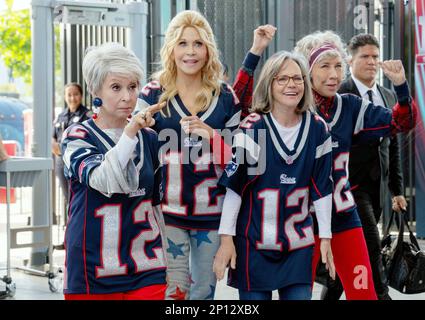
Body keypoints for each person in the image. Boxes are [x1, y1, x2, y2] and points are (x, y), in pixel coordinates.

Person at [138, 11, 275, 300]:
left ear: (208, 49)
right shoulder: (151, 94)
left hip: (212, 216)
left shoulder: (225, 96)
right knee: (173, 293)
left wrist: (212, 136)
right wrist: (141, 129)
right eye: (183, 43)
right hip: (167, 215)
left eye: (198, 44)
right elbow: (133, 154)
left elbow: (244, 163)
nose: (190, 51)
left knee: (202, 294)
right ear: (171, 48)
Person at [293, 30, 417, 300]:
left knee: (365, 291)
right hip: (302, 217)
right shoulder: (292, 107)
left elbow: (400, 124)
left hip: (343, 211)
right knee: (297, 294)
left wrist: (401, 89)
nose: (334, 74)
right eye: (324, 66)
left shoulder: (348, 105)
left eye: (338, 65)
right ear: (308, 71)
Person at [212, 51, 335, 300]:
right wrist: (226, 239)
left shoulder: (318, 128)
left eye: (298, 78)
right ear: (269, 84)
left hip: (297, 245)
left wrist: (325, 237)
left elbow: (322, 188)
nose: (292, 84)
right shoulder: (253, 128)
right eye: (282, 79)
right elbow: (235, 189)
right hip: (254, 245)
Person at [61, 42, 167, 300]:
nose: (128, 97)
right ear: (95, 89)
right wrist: (130, 133)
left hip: (146, 267)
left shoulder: (150, 138)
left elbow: (155, 208)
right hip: (91, 269)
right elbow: (105, 179)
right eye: (116, 87)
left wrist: (171, 265)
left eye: (132, 87)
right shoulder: (77, 135)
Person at [52, 83, 91, 219]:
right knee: (66, 196)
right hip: (60, 162)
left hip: (77, 163)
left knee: (77, 197)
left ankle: (76, 229)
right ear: (64, 97)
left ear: (81, 96)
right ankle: (68, 228)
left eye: (75, 94)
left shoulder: (87, 115)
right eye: (69, 95)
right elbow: (52, 136)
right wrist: (53, 145)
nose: (72, 98)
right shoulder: (61, 115)